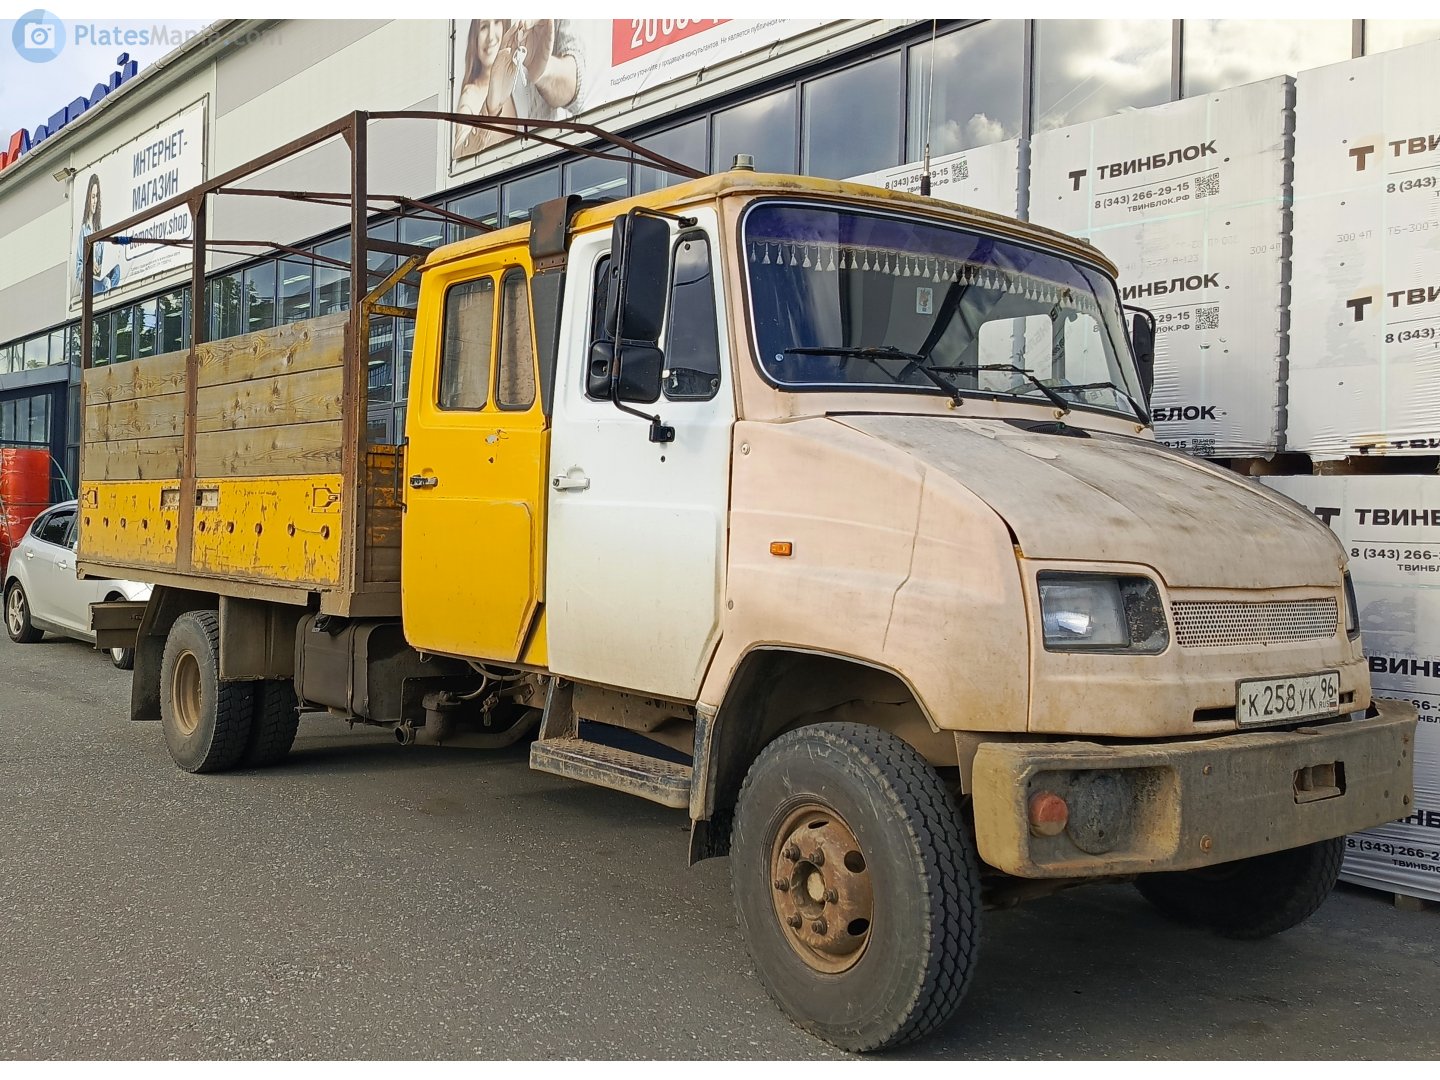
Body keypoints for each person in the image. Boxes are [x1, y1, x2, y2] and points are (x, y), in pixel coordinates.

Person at [451, 19, 593, 159]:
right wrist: (490, 108)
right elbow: (459, 158)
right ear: (473, 37)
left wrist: (541, 68)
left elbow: (578, 91)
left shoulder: (515, 76)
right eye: (483, 27)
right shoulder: (471, 94)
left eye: (497, 22)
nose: (491, 36)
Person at [75, 173, 121, 297]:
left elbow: (105, 257)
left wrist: (103, 265)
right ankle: (108, 302)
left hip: (100, 276)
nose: (94, 201)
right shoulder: (84, 230)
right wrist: (89, 266)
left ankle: (112, 299)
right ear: (88, 199)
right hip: (89, 281)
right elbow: (78, 269)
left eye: (96, 197)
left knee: (117, 270)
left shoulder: (99, 227)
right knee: (106, 282)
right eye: (93, 196)